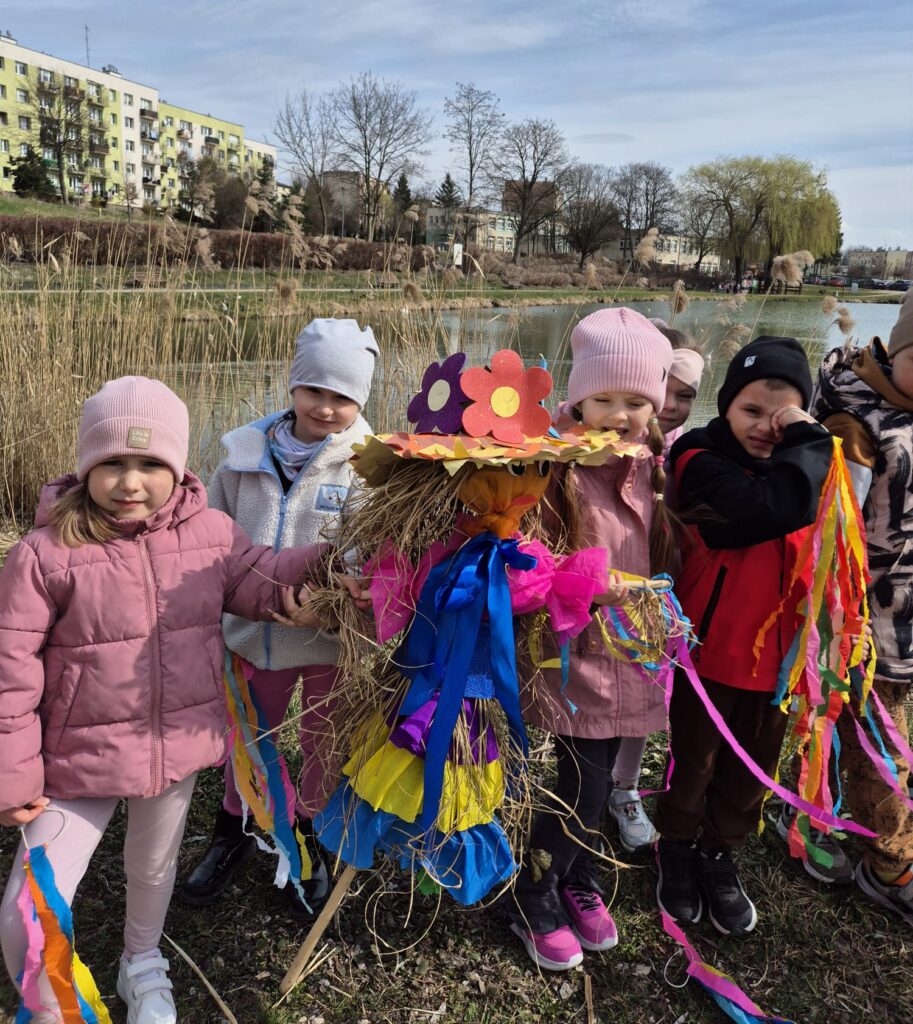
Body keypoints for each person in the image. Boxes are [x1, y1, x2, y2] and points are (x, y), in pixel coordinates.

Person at [0, 377, 349, 1024]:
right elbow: (8, 671)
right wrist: (12, 772)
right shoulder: (46, 555)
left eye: (150, 465)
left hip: (175, 746)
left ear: (178, 467)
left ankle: (143, 961)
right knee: (31, 905)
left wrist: (328, 565)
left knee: (153, 868)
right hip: (76, 759)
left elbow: (260, 578)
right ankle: (48, 1001)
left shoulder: (211, 533)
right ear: (85, 468)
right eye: (112, 463)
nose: (130, 483)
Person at [180, 318, 377, 921]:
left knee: (323, 741)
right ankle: (235, 829)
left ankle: (312, 838)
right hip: (250, 634)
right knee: (251, 739)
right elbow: (206, 538)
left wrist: (335, 600)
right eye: (314, 390)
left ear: (360, 401)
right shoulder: (239, 458)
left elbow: (369, 551)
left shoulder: (369, 468)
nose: (326, 406)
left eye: (343, 396)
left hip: (325, 638)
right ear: (292, 387)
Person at [654, 337, 834, 936]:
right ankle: (675, 847)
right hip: (707, 655)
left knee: (753, 762)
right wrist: (807, 438)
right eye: (751, 411)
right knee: (695, 760)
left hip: (777, 662)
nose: (765, 428)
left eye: (782, 416)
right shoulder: (699, 461)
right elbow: (767, 508)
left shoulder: (804, 470)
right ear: (725, 406)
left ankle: (718, 850)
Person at [511, 307, 674, 970]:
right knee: (581, 785)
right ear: (578, 399)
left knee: (603, 783)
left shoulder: (647, 469)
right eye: (603, 398)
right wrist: (589, 582)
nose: (619, 412)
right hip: (571, 654)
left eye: (635, 401)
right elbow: (524, 560)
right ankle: (535, 892)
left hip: (630, 652)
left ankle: (576, 876)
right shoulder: (557, 473)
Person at [805, 290, 913, 923]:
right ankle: (890, 859)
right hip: (867, 612)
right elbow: (833, 533)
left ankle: (832, 808)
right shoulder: (856, 422)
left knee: (873, 725)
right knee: (877, 730)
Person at [607, 328, 705, 853]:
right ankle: (591, 784)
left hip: (657, 598)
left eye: (687, 393)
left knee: (648, 690)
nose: (673, 403)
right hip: (606, 596)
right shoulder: (604, 447)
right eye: (664, 387)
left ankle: (624, 788)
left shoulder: (686, 452)